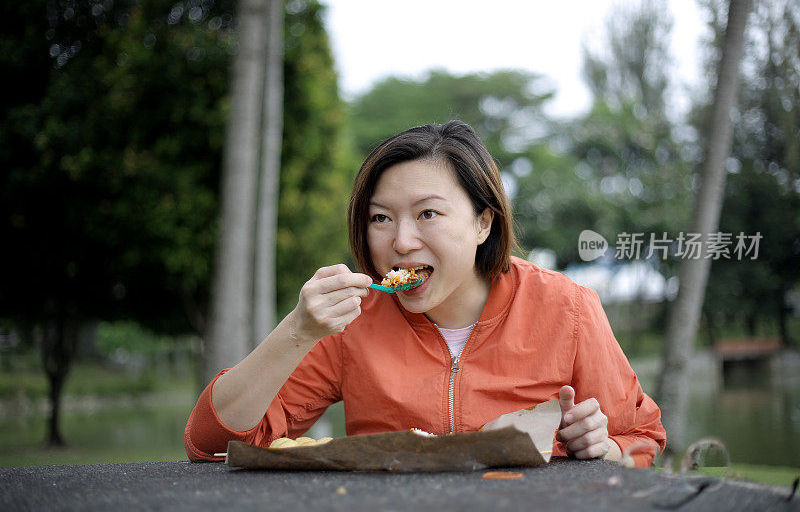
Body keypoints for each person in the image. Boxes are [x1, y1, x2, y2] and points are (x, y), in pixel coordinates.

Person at [185, 121, 666, 467]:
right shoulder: (353, 319)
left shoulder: (568, 308)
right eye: (380, 218)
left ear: (482, 222)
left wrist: (608, 449)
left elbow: (643, 437)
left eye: (428, 214)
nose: (400, 241)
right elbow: (211, 445)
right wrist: (298, 330)